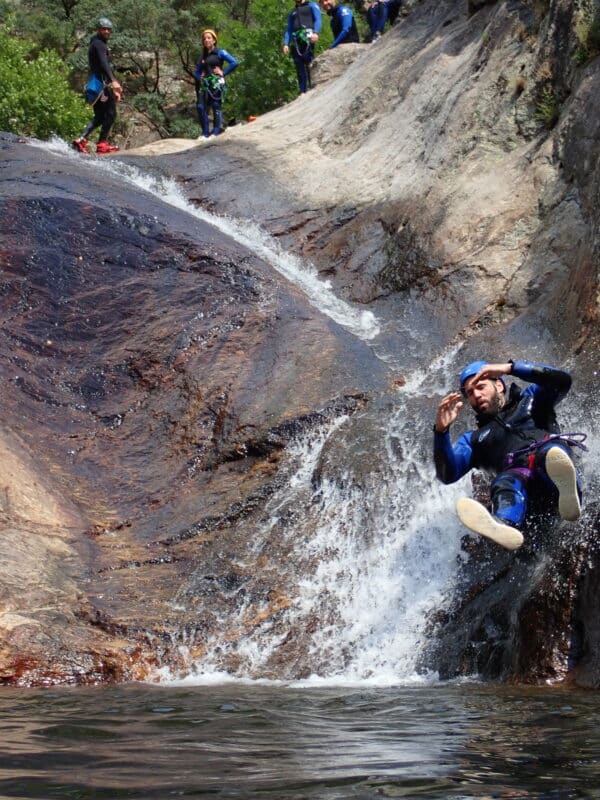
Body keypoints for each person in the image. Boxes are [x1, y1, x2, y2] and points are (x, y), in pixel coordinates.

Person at [434, 360, 585, 549]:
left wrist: (512, 368)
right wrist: (440, 432)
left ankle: (570, 491)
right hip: (527, 493)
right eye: (470, 393)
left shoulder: (532, 398)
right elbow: (447, 474)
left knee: (549, 454)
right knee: (505, 481)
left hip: (550, 466)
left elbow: (562, 381)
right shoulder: (473, 440)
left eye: (480, 387)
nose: (476, 395)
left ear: (499, 385)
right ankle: (504, 525)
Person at [73, 18, 123, 155]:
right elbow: (103, 64)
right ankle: (102, 144)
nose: (106, 31)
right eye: (103, 28)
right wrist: (113, 81)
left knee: (100, 116)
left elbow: (103, 65)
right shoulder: (99, 44)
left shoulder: (96, 43)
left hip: (99, 83)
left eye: (108, 29)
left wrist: (114, 85)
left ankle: (81, 139)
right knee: (111, 114)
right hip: (102, 85)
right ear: (98, 30)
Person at [194, 29, 238, 139]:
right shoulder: (202, 57)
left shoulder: (220, 52)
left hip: (216, 83)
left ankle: (216, 130)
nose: (206, 40)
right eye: (204, 38)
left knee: (215, 105)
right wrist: (200, 78)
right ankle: (205, 132)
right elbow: (197, 72)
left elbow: (234, 62)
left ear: (214, 40)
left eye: (209, 38)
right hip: (205, 84)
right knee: (200, 106)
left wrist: (223, 73)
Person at [283, 0, 322, 94]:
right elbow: (289, 29)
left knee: (310, 64)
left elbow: (318, 19)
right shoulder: (292, 12)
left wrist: (316, 32)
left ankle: (314, 87)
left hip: (308, 39)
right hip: (296, 42)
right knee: (299, 67)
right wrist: (286, 44)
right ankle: (302, 91)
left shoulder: (312, 6)